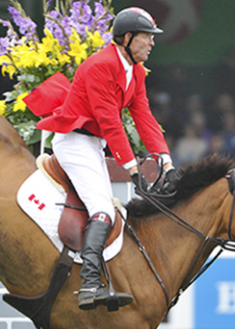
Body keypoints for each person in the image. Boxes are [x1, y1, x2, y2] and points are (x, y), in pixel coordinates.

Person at [32, 7, 178, 311]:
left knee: (108, 210)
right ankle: (88, 286)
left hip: (93, 145)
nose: (152, 43)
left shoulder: (135, 71)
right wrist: (132, 166)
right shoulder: (100, 65)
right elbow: (109, 119)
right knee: (103, 209)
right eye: (146, 37)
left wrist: (165, 160)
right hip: (74, 142)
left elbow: (143, 115)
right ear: (126, 38)